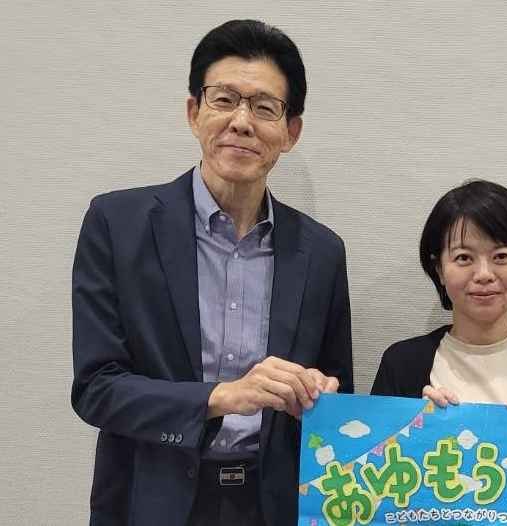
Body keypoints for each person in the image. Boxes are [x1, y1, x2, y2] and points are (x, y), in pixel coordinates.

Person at [70, 20, 353, 526]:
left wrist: (317, 393)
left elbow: (337, 393)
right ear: (193, 112)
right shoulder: (117, 224)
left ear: (291, 132)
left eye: (264, 107)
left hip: (276, 505)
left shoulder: (322, 252)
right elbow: (96, 389)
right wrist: (221, 397)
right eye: (224, 100)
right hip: (150, 501)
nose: (241, 122)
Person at [371, 180, 507, 410]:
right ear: (439, 269)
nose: (484, 275)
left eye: (501, 256)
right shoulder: (400, 364)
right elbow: (374, 433)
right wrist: (411, 423)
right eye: (463, 258)